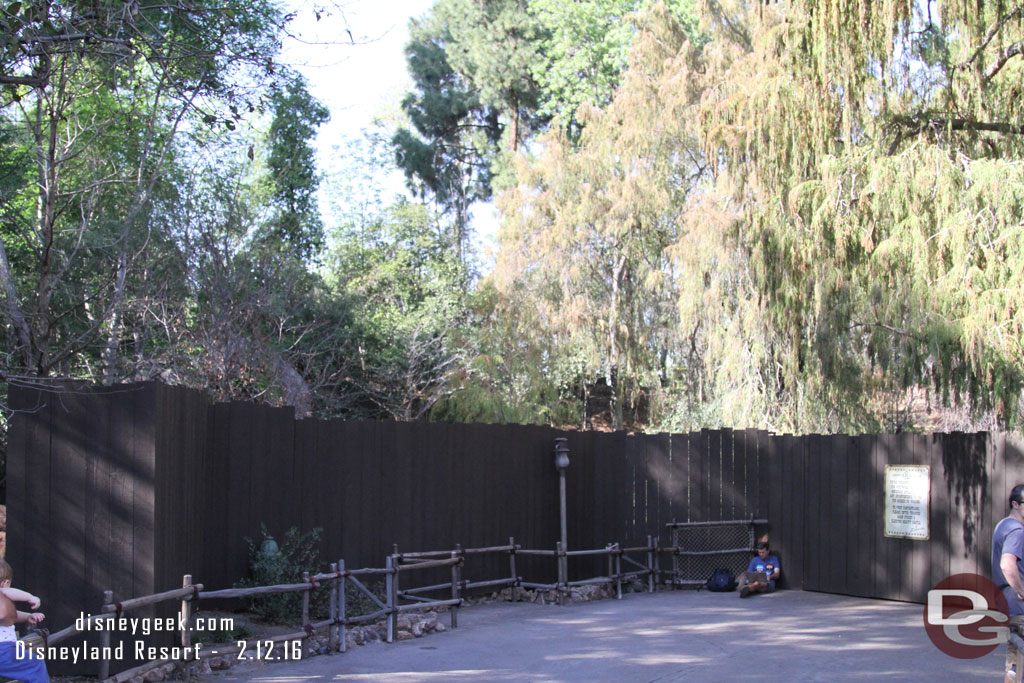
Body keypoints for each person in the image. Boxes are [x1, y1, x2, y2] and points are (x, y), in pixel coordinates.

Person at [992, 484, 1024, 683]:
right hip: (1019, 608)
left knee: (1014, 662)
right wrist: (1021, 590)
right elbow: (1006, 564)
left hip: (1007, 605)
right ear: (1015, 504)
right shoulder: (1017, 531)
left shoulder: (1002, 525)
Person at [0, 559, 48, 683]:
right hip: (3, 649)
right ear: (5, 582)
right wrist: (30, 597)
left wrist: (27, 616)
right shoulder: (2, 593)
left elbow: (14, 615)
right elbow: (6, 592)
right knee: (35, 665)